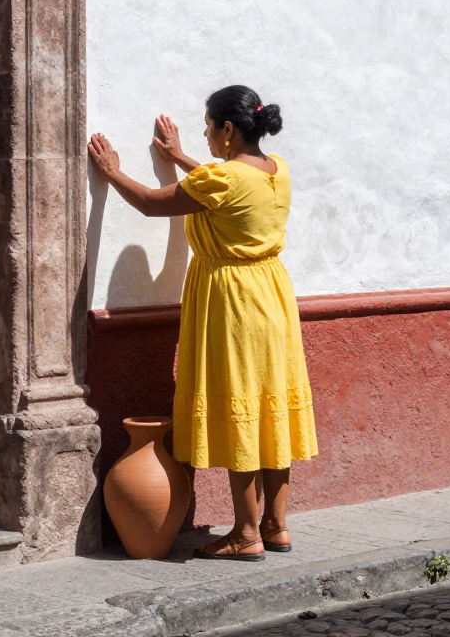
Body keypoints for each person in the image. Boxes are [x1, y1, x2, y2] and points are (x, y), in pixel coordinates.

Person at [87, 85, 318, 561]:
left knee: (241, 414)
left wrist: (112, 173)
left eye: (209, 127)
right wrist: (182, 156)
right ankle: (276, 526)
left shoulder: (223, 179)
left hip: (233, 303)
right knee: (269, 410)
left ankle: (245, 532)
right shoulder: (278, 172)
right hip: (273, 299)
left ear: (228, 129)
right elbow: (230, 185)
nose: (206, 135)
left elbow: (153, 202)